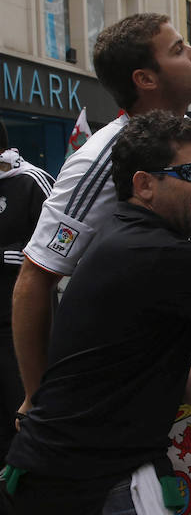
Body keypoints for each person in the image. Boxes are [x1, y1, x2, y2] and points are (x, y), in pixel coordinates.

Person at [0, 113, 191, 514]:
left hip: (69, 476)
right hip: (92, 485)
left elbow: (132, 360)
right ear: (143, 184)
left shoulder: (134, 237)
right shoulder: (158, 252)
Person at [12, 13, 191, 421]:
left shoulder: (184, 141)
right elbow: (35, 276)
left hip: (168, 379)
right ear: (145, 79)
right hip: (110, 400)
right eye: (177, 50)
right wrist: (38, 397)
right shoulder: (102, 160)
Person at [0, 123, 54, 464]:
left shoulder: (32, 181)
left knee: (25, 412)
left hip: (20, 326)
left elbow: (59, 245)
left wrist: (8, 255)